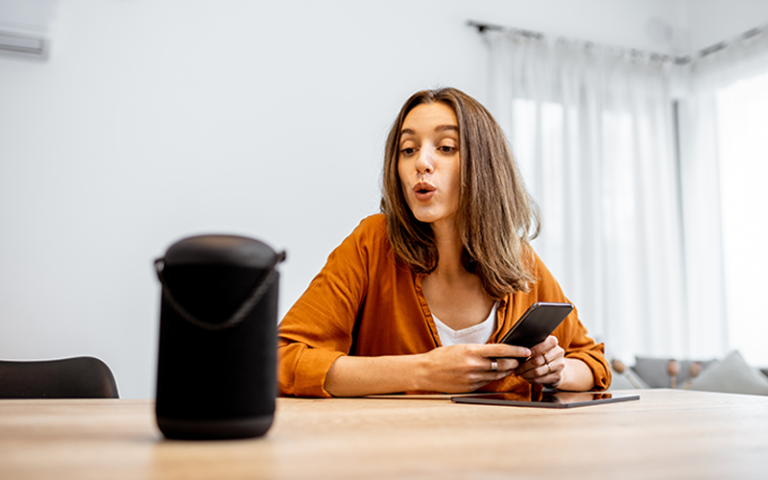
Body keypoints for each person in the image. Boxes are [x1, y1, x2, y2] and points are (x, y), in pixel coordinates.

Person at [277, 87, 610, 398]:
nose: (421, 163)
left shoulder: (519, 260)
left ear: (485, 166)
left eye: (446, 147)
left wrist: (556, 370)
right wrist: (422, 371)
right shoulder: (372, 243)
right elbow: (281, 359)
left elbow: (593, 362)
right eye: (408, 150)